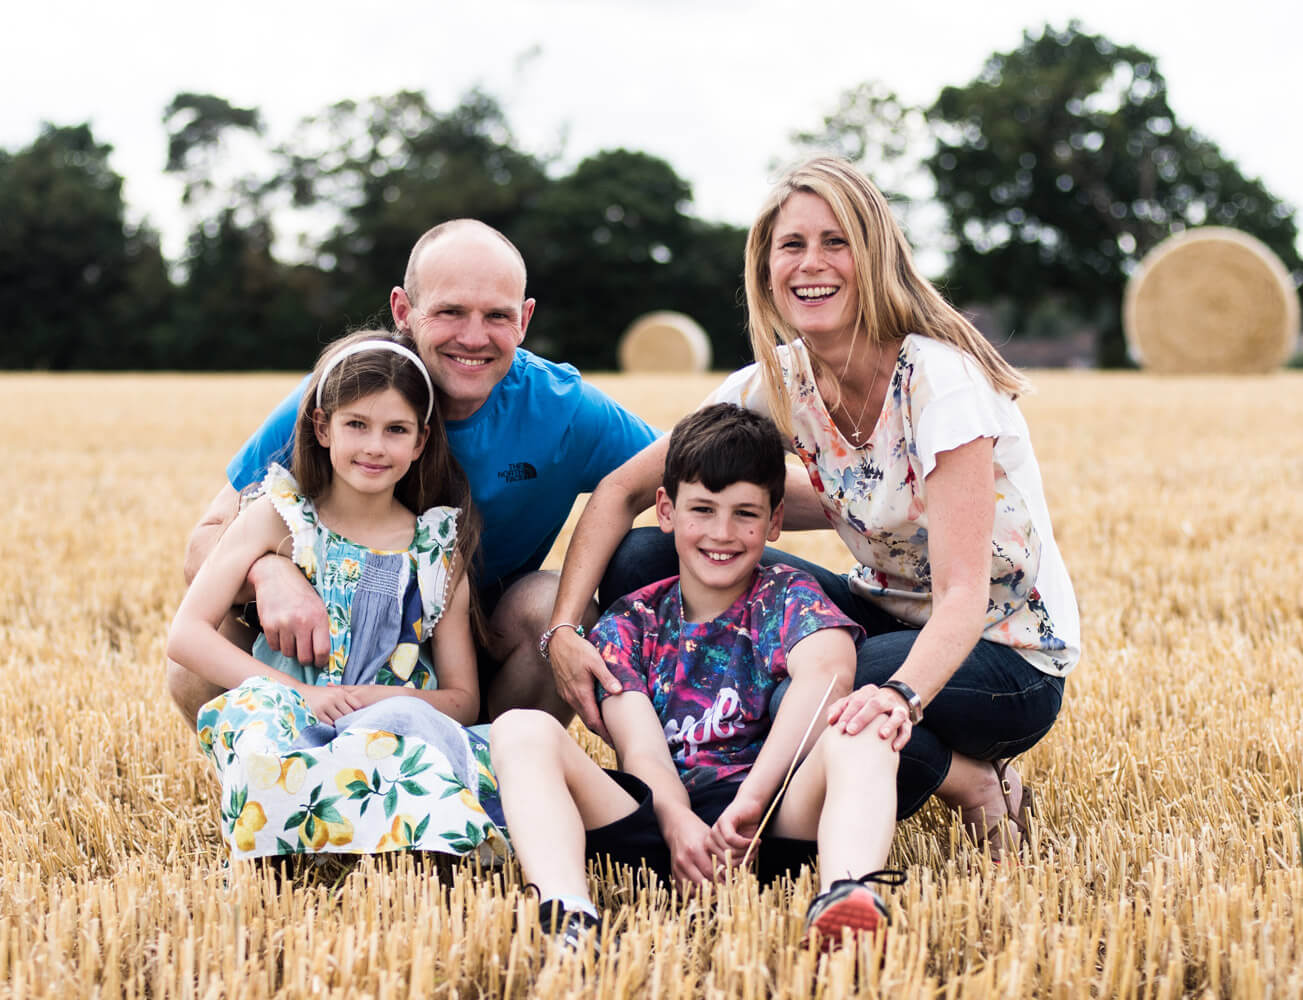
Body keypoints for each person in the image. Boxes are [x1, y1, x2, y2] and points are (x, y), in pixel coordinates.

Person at [545, 156, 1080, 858]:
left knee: (841, 685)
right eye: (791, 246)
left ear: (874, 256)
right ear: (765, 267)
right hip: (881, 613)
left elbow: (960, 594)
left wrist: (899, 697)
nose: (811, 264)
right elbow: (622, 491)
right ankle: (713, 774)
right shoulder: (778, 381)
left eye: (836, 242)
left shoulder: (939, 382)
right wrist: (562, 630)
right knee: (649, 559)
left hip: (1002, 657)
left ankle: (967, 779)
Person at [168, 219, 658, 728]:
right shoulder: (344, 392)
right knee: (198, 656)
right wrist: (271, 573)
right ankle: (273, 786)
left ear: (525, 319)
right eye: (450, 312)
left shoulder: (564, 408)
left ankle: (497, 775)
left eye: (497, 316)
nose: (474, 337)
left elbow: (690, 468)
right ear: (403, 310)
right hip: (321, 657)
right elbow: (202, 548)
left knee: (558, 605)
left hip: (473, 660)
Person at [491, 404, 904, 950]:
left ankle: (845, 896)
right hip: (655, 821)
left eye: (745, 514)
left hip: (772, 819)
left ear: (775, 520)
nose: (722, 533)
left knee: (865, 724)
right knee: (521, 728)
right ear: (665, 509)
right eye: (703, 510)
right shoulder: (629, 622)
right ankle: (567, 914)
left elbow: (828, 675)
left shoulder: (789, 595)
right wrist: (677, 821)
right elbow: (640, 750)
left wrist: (752, 804)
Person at [168, 331, 507, 860]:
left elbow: (462, 701)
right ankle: (350, 825)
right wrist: (302, 696)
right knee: (253, 716)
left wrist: (383, 702)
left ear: (420, 443)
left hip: (389, 729)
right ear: (323, 428)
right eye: (357, 425)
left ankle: (348, 826)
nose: (375, 446)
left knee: (426, 732)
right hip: (294, 719)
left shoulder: (439, 549)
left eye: (396, 430)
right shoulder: (278, 516)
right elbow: (186, 636)